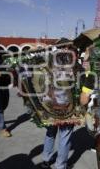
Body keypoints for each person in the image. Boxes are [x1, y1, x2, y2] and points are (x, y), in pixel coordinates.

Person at [40, 40, 77, 169]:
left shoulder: (48, 58)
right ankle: (60, 166)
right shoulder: (69, 59)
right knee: (65, 136)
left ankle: (46, 159)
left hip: (49, 102)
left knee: (50, 132)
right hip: (65, 104)